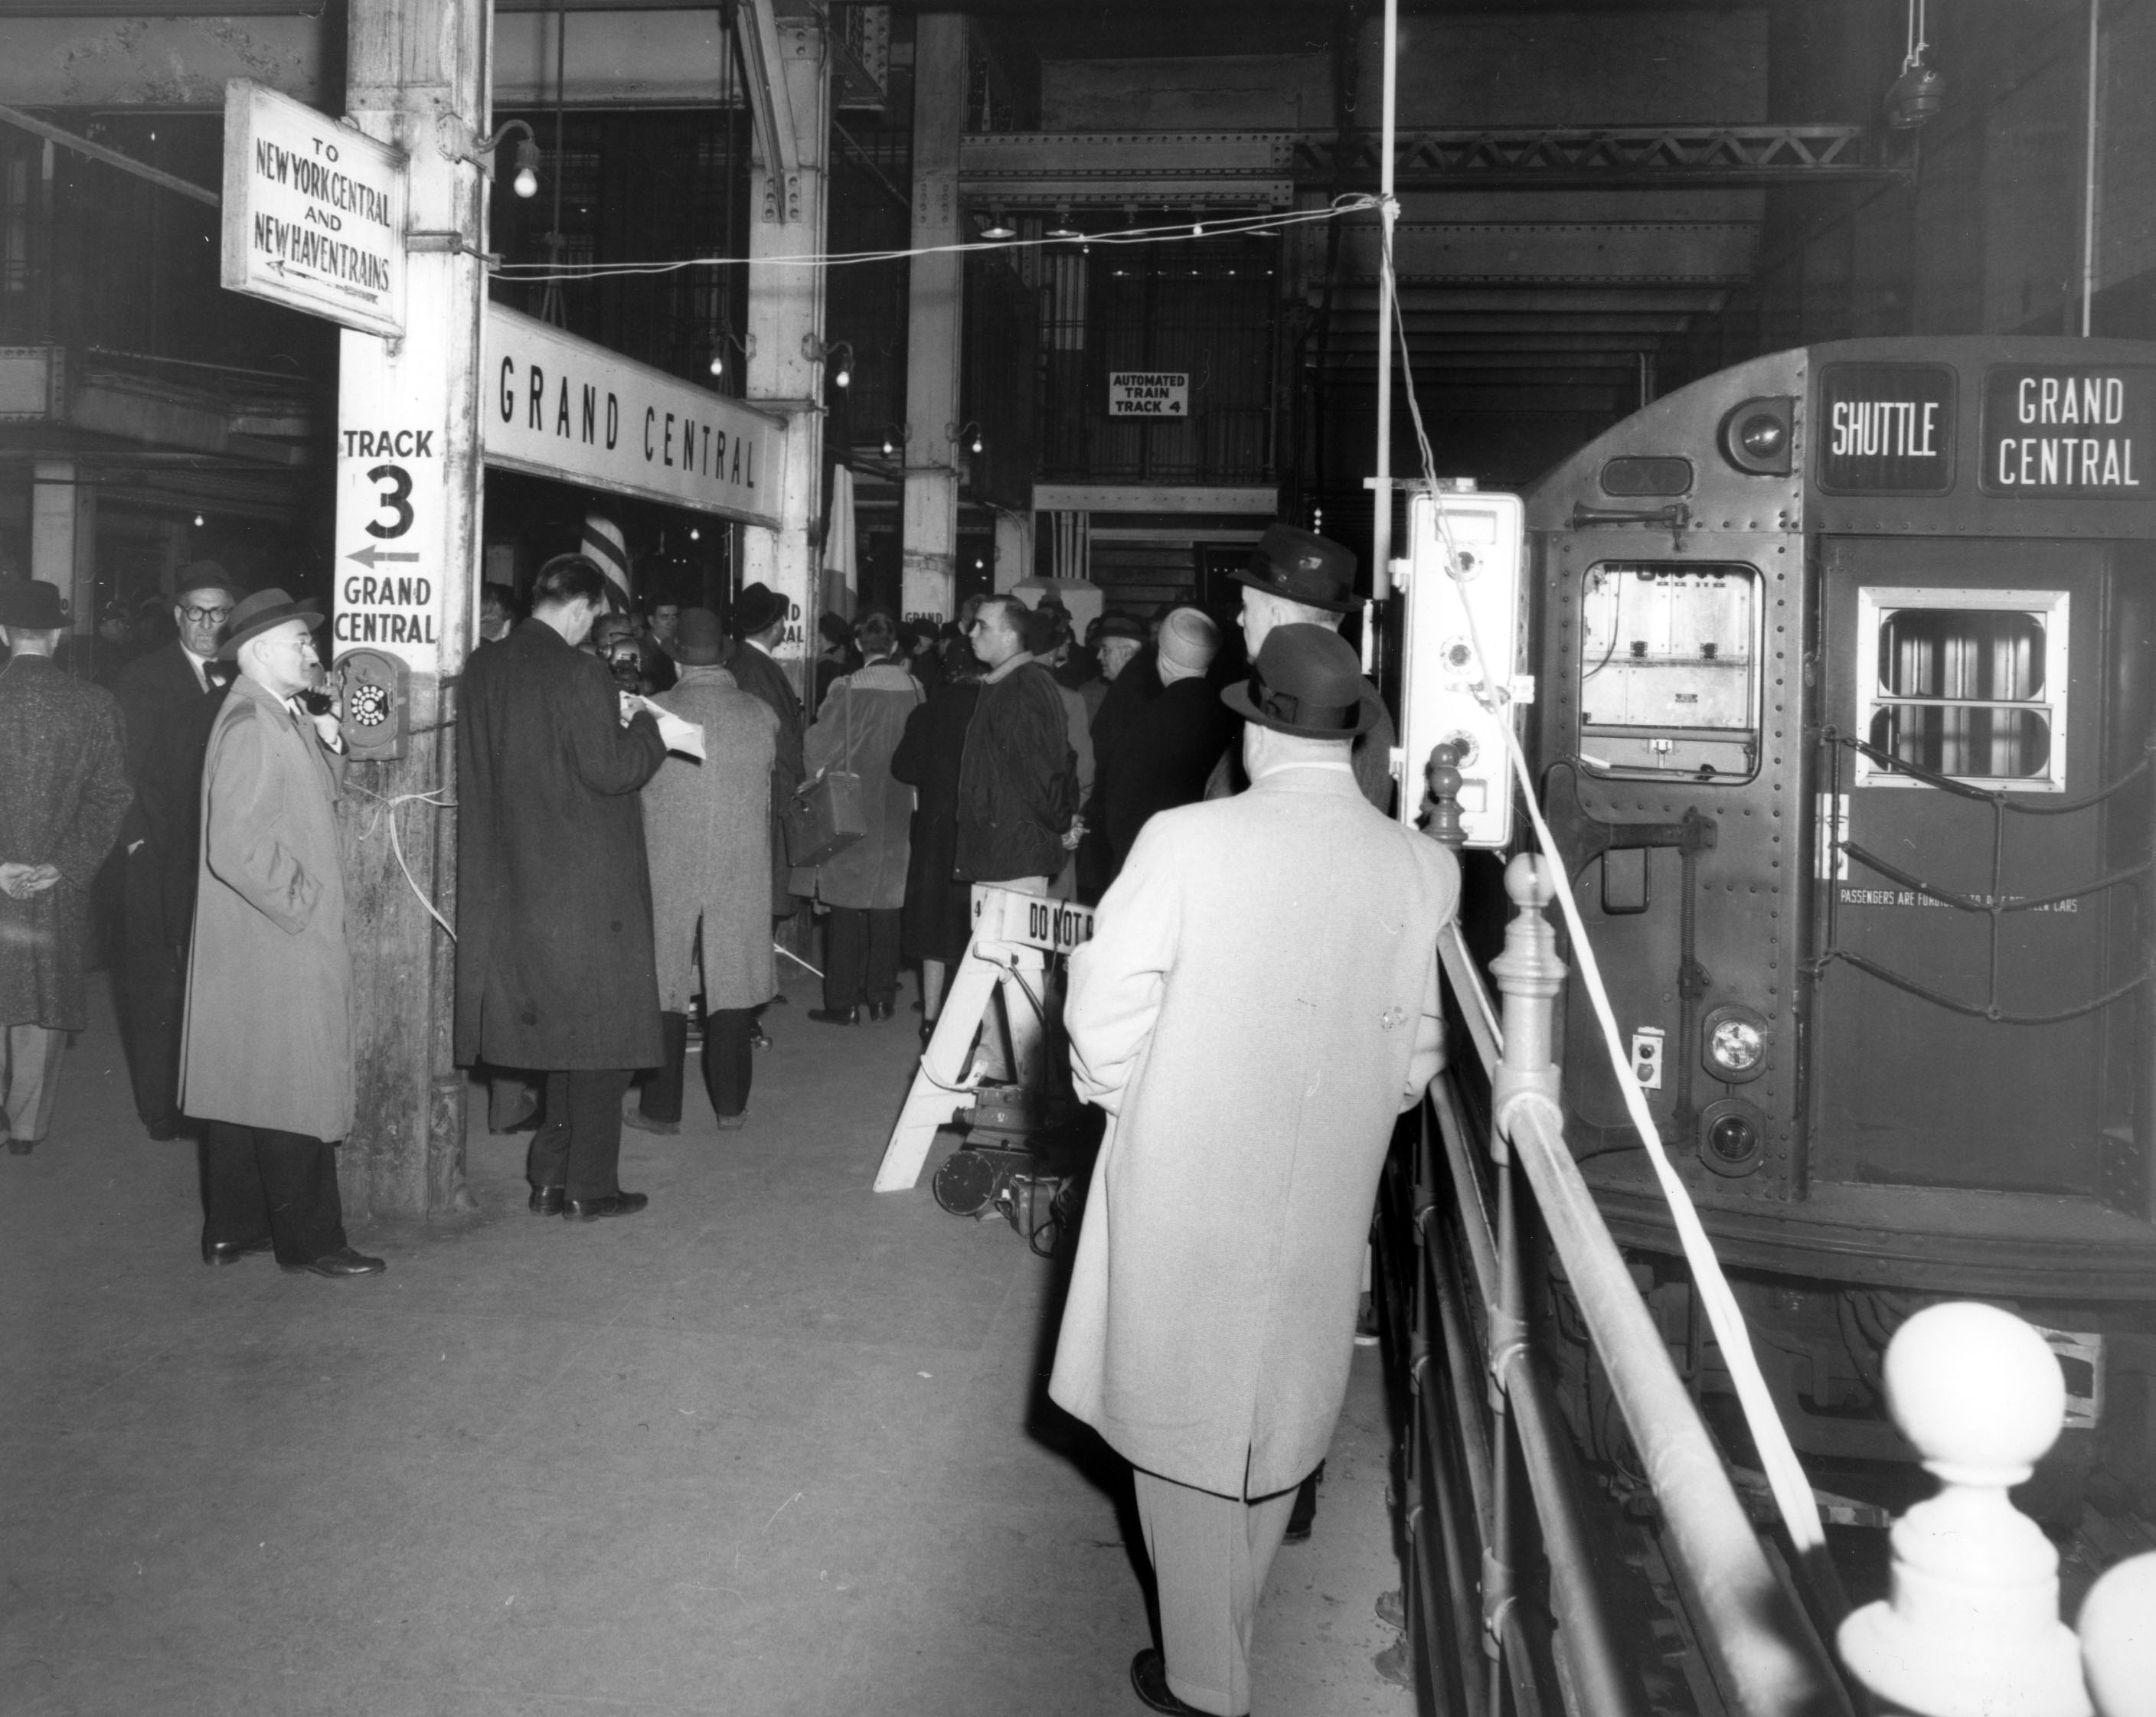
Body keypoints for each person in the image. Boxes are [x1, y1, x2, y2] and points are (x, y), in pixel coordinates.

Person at [1049, 624, 1459, 1717]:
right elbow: (1421, 1050)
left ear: (1255, 727)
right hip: (1327, 1172)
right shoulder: (1424, 865)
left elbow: (1101, 1010)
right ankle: (1223, 1633)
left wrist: (1123, 1096)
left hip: (1188, 1152)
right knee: (1282, 1393)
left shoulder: (1187, 839)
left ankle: (1206, 1678)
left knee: (1174, 1399)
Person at [456, 553, 668, 1222]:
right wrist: (648, 728)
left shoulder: (484, 664)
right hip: (586, 885)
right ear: (580, 607)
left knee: (558, 1039)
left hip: (518, 880)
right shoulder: (579, 672)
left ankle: (550, 1178)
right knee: (603, 1041)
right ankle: (590, 1186)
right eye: (595, 617)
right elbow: (610, 771)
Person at [178, 587, 383, 1276]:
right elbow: (235, 846)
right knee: (297, 1083)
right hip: (280, 932)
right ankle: (313, 1241)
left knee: (245, 1081)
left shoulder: (270, 712)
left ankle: (234, 1227)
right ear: (261, 650)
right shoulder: (254, 724)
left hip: (255, 938)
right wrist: (306, 905)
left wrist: (329, 742)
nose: (313, 651)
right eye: (301, 641)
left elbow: (304, 801)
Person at [0, 579, 133, 1157]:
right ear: (57, 633)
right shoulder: (94, 704)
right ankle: (26, 1126)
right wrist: (63, 863)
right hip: (55, 883)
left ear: (3, 633)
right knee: (41, 997)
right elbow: (112, 797)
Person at [629, 608, 776, 1132]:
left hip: (668, 861)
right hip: (740, 865)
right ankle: (731, 1107)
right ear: (725, 655)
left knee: (667, 978)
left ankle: (660, 1108)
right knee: (731, 980)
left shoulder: (652, 712)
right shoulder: (761, 714)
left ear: (678, 660)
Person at [113, 562, 243, 1140]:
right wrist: (139, 842)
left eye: (219, 613)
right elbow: (129, 772)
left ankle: (206, 1100)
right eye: (197, 612)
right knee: (155, 987)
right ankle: (160, 1110)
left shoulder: (241, 674)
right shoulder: (145, 678)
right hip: (159, 857)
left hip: (218, 859)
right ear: (177, 616)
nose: (208, 624)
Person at [1207, 524, 1399, 814]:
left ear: (1277, 617)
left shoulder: (1285, 703)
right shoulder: (1362, 705)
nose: (1239, 620)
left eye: (1246, 607)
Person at [799, 611, 923, 1025]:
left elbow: (819, 750)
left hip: (851, 804)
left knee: (846, 907)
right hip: (901, 807)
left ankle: (843, 1002)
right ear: (894, 648)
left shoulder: (847, 689)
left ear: (857, 646)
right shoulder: (916, 689)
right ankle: (882, 997)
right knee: (888, 904)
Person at [1096, 607, 1237, 883]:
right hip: (1210, 867)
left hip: (1151, 867)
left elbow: (1120, 808)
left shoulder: (1145, 720)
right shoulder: (1232, 717)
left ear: (1161, 655)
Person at [953, 594, 1078, 896]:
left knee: (1003, 943)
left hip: (1014, 855)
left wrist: (1062, 824)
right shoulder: (1008, 683)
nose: (971, 633)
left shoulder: (1021, 687)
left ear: (1009, 636)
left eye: (981, 627)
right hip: (1006, 852)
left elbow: (1040, 770)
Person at [891, 636, 982, 1041]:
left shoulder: (927, 713)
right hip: (981, 832)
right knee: (975, 926)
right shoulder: (994, 710)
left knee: (934, 926)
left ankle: (931, 1016)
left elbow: (904, 767)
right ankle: (973, 1015)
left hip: (934, 830)